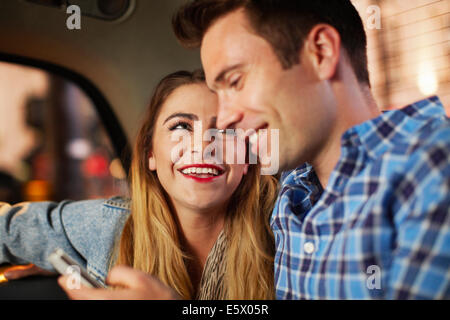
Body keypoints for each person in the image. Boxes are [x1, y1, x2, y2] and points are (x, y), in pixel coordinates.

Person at [170, 0, 450, 299]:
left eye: (236, 81)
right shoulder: (292, 187)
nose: (224, 118)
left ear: (321, 52)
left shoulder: (432, 169)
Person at [0, 69, 278, 300]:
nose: (204, 144)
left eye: (225, 130)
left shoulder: (285, 233)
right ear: (150, 155)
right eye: (181, 126)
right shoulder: (105, 227)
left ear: (247, 158)